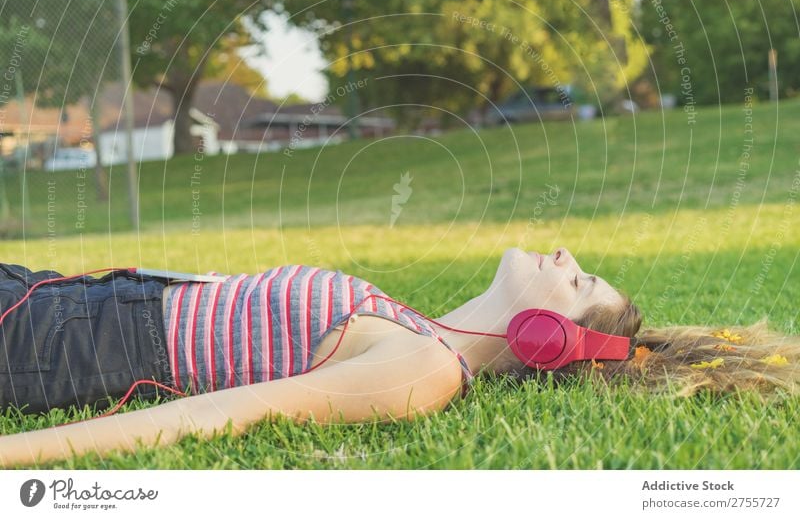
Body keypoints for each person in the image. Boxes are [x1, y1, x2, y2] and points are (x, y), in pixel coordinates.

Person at [0, 247, 797, 467]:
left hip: (59, 345)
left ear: (548, 340)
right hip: (55, 299)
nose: (562, 253)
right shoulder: (410, 322)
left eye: (577, 278)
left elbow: (210, 415)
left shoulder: (423, 369)